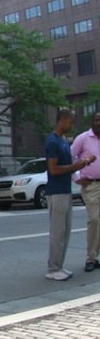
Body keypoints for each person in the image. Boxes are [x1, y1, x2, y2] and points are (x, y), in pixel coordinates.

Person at [44, 108, 92, 281]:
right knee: (57, 232)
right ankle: (53, 267)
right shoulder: (53, 142)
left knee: (65, 231)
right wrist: (77, 166)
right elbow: (53, 169)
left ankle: (59, 266)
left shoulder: (63, 141)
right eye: (70, 122)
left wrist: (79, 170)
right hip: (56, 192)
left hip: (65, 191)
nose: (71, 125)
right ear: (63, 120)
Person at [71, 111, 100, 272]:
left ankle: (95, 257)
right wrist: (77, 178)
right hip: (91, 186)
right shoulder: (83, 138)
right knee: (95, 220)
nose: (98, 123)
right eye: (96, 120)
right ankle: (90, 258)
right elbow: (68, 157)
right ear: (92, 121)